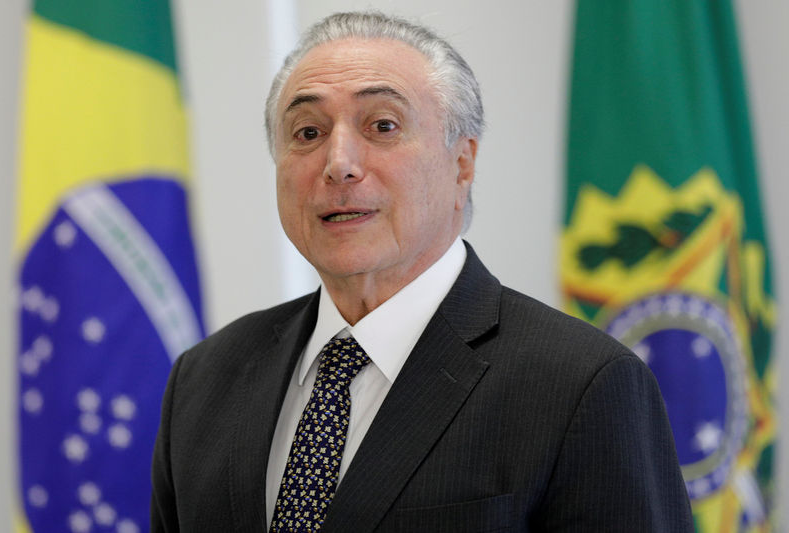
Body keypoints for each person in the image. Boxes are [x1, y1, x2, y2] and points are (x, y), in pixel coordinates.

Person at [151, 11, 693, 532]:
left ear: (462, 164)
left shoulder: (583, 384)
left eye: (382, 125)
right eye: (308, 132)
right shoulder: (203, 378)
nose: (338, 162)